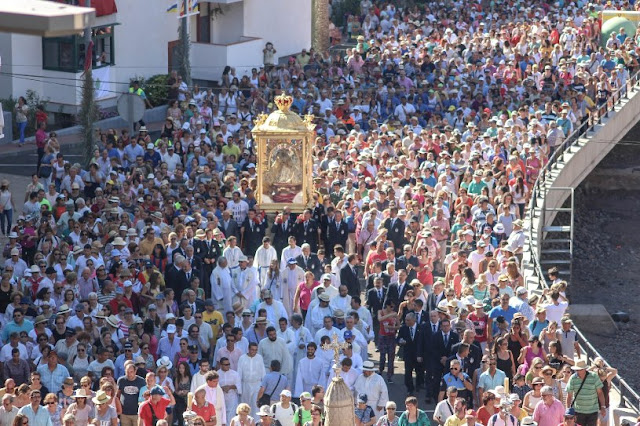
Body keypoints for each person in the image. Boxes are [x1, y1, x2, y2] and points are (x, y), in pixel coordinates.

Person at [566, 358, 606, 426]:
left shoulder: (594, 376)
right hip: (578, 411)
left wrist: (603, 407)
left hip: (592, 411)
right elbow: (569, 395)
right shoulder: (573, 378)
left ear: (584, 369)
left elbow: (600, 393)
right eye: (577, 370)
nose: (578, 371)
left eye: (580, 369)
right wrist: (568, 410)